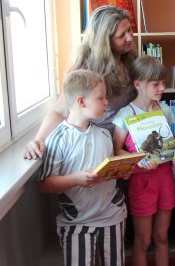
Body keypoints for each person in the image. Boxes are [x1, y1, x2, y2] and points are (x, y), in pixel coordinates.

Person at [38, 69, 127, 266]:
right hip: (76, 223)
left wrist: (121, 170)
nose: (106, 102)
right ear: (81, 102)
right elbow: (45, 184)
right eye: (101, 98)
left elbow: (109, 171)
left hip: (111, 216)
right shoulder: (58, 140)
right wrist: (76, 179)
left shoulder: (104, 135)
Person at [25, 5, 137, 159]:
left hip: (130, 145)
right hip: (100, 149)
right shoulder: (86, 70)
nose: (130, 37)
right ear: (104, 41)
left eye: (129, 30)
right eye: (121, 35)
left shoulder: (131, 61)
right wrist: (38, 139)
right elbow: (60, 111)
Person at [112, 56, 175, 266]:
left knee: (162, 237)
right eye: (156, 84)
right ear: (138, 85)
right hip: (141, 182)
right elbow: (116, 150)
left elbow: (170, 145)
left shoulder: (165, 110)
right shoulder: (126, 114)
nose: (162, 87)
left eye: (163, 82)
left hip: (164, 180)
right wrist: (138, 160)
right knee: (143, 240)